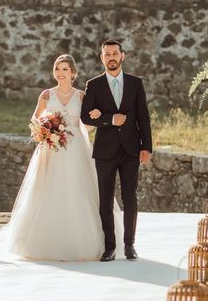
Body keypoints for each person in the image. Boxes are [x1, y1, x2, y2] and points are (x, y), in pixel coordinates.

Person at [7, 54, 123, 261]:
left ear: (73, 73)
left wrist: (95, 118)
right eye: (57, 69)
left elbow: (85, 125)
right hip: (51, 149)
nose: (60, 73)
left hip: (76, 147)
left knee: (79, 189)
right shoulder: (46, 95)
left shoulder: (81, 97)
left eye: (65, 69)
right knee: (48, 189)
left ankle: (89, 242)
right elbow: (34, 118)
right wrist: (44, 128)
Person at [80, 40, 153, 262]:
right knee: (105, 200)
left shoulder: (135, 83)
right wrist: (110, 119)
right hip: (105, 150)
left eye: (115, 53)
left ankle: (129, 245)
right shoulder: (93, 85)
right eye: (107, 54)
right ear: (102, 58)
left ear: (123, 56)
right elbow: (84, 117)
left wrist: (146, 146)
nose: (111, 57)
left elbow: (143, 116)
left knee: (130, 197)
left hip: (131, 149)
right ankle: (110, 247)